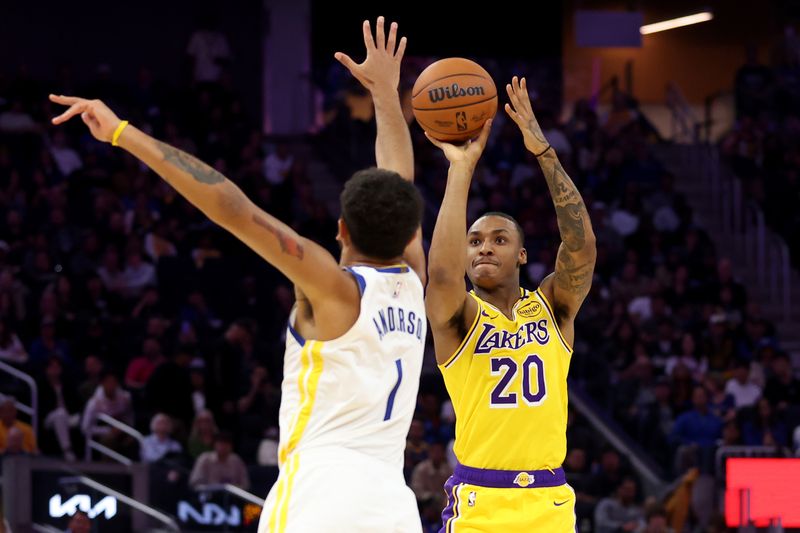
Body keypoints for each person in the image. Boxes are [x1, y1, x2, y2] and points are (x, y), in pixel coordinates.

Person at [51, 16, 425, 533]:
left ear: (340, 229)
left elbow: (231, 207)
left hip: (321, 495)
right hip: (392, 505)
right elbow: (399, 176)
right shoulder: (415, 283)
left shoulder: (335, 289)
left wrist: (122, 133)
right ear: (410, 229)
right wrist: (387, 93)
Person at [425, 76, 596, 532]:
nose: (484, 248)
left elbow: (581, 249)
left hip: (549, 503)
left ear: (521, 255)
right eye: (475, 241)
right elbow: (441, 275)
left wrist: (544, 152)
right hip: (480, 503)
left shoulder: (553, 308)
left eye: (499, 240)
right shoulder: (460, 319)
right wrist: (461, 168)